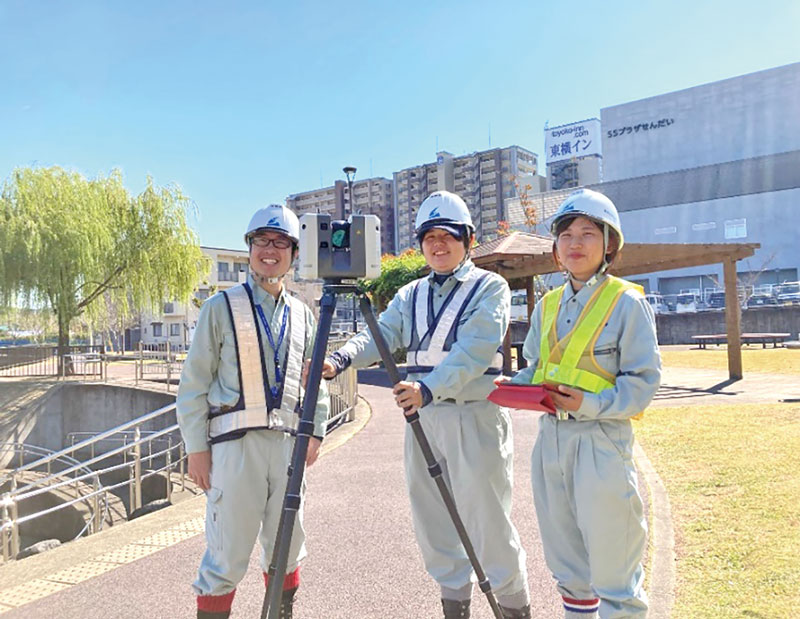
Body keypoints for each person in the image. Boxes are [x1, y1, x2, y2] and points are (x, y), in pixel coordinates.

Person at [323, 191, 531, 619]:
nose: (438, 245)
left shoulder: (490, 287)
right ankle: (455, 608)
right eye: (429, 237)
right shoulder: (410, 294)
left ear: (467, 239)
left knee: (488, 524)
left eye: (448, 236)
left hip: (473, 416)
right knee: (435, 524)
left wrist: (428, 388)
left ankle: (514, 608)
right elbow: (382, 335)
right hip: (424, 419)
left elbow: (475, 351)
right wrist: (340, 358)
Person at [509, 188, 661, 619]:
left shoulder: (627, 302)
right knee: (568, 569)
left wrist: (589, 404)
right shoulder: (548, 305)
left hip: (601, 443)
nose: (575, 243)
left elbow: (643, 384)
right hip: (550, 443)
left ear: (609, 244)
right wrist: (507, 387)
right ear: (556, 248)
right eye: (566, 235)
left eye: (588, 233)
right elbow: (536, 368)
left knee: (615, 574)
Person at [176, 204, 330, 619]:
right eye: (262, 240)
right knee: (226, 554)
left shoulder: (303, 314)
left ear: (293, 254)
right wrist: (196, 448)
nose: (270, 250)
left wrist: (316, 431)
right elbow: (193, 385)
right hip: (234, 448)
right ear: (249, 248)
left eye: (281, 242)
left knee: (287, 546)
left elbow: (314, 377)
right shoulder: (220, 307)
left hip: (287, 447)